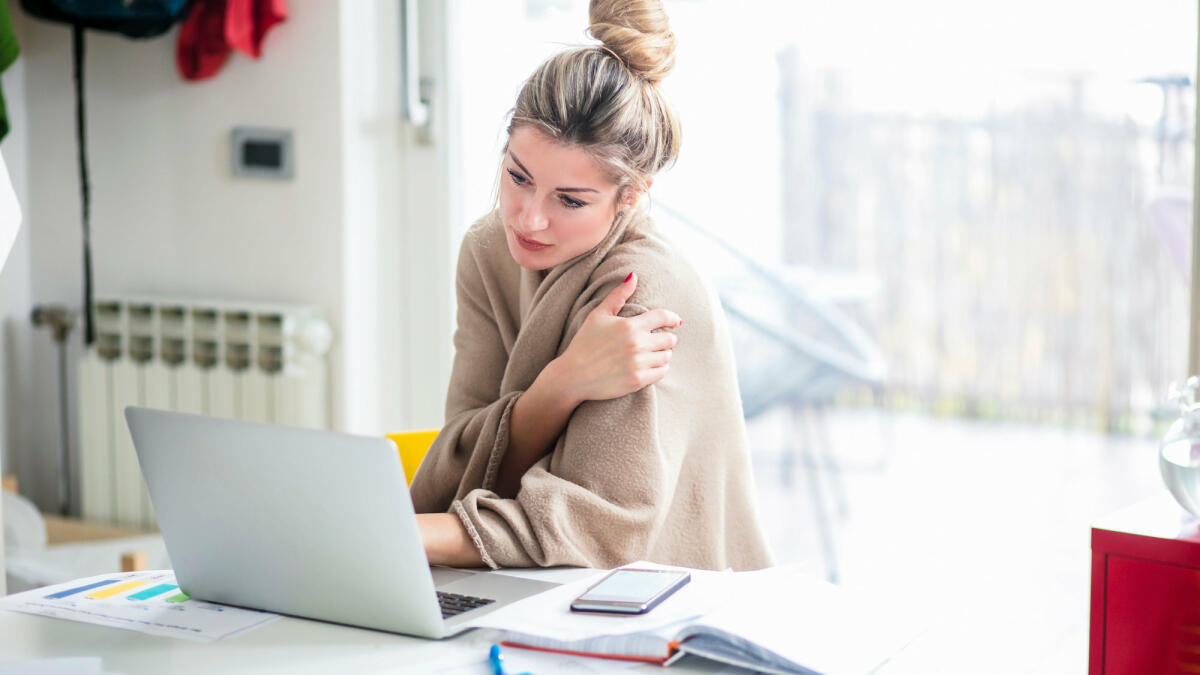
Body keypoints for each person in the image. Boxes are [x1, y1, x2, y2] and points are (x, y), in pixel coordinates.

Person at [409, 0, 772, 572]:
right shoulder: (488, 251)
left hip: (662, 606)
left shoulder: (645, 292)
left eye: (570, 200)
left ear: (630, 195)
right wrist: (561, 385)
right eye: (517, 177)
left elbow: (597, 528)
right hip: (523, 589)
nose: (528, 219)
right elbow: (458, 467)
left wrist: (392, 534)